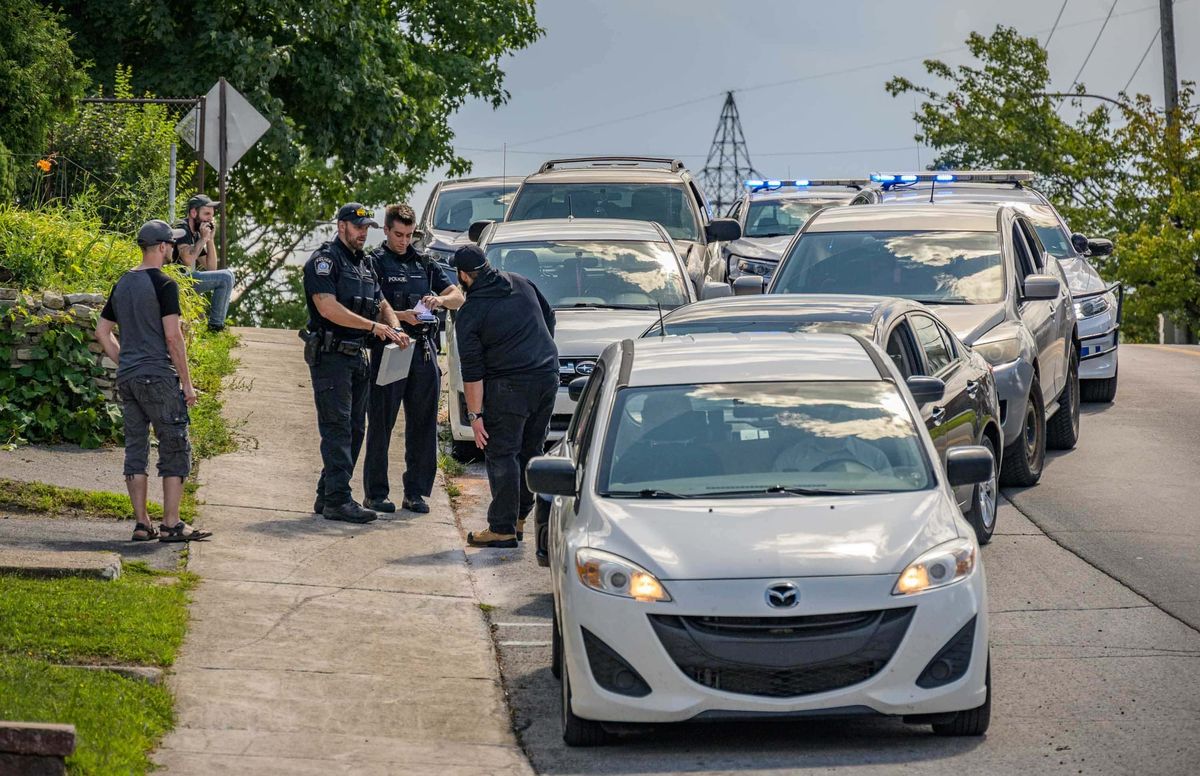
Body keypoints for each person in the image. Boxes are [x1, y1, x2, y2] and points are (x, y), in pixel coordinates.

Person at [94, 219, 213, 543]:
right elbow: (173, 338)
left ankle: (142, 523)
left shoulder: (123, 284)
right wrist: (187, 384)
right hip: (159, 378)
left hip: (129, 380)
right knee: (174, 445)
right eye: (171, 244)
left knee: (136, 448)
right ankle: (172, 524)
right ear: (162, 247)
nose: (173, 248)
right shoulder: (164, 285)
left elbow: (102, 332)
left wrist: (126, 362)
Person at [302, 203, 410, 523]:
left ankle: (327, 494)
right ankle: (338, 500)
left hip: (359, 356)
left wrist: (395, 327)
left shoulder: (365, 264)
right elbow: (327, 307)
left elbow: (380, 302)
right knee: (337, 429)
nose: (363, 233)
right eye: (357, 227)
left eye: (366, 228)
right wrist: (374, 327)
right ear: (341, 227)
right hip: (332, 356)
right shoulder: (324, 261)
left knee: (354, 429)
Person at [451, 244, 558, 548]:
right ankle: (520, 517)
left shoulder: (470, 312)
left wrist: (474, 416)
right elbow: (549, 318)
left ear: (463, 276)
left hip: (509, 385)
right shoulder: (521, 282)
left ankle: (502, 527)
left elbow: (473, 370)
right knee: (530, 449)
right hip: (547, 376)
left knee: (501, 452)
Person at [363, 204, 465, 514]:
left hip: (422, 349)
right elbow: (370, 302)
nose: (403, 241)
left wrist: (439, 299)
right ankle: (376, 493)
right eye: (398, 235)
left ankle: (416, 492)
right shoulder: (373, 263)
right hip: (391, 348)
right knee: (381, 423)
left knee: (423, 424)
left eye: (409, 235)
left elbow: (458, 295)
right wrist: (400, 316)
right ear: (386, 230)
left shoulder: (424, 263)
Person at [173, 194, 236, 332]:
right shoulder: (182, 228)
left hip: (184, 282)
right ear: (193, 212)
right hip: (173, 282)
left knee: (228, 276)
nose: (210, 219)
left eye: (211, 215)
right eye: (206, 214)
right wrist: (202, 240)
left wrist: (210, 240)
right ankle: (215, 327)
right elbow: (188, 260)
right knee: (226, 277)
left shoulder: (196, 234)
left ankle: (216, 325)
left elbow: (211, 268)